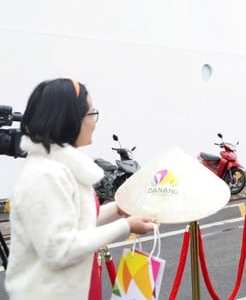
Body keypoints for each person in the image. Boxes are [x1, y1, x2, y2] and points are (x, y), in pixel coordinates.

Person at [5, 78, 157, 300]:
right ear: (70, 121)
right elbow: (59, 250)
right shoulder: (45, 175)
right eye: (91, 113)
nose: (94, 122)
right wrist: (126, 225)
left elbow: (79, 222)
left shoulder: (59, 168)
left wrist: (119, 209)